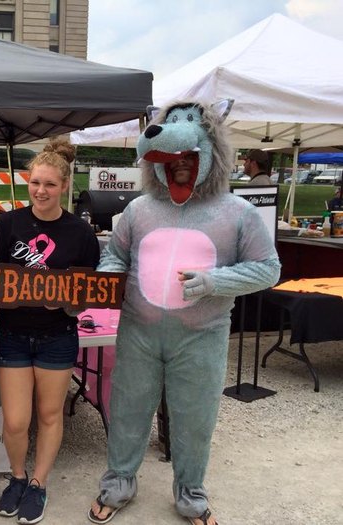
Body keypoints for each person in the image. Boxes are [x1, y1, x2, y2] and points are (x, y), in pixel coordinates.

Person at [87, 100, 280, 525]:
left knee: (195, 419)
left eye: (187, 158)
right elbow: (115, 256)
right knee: (127, 410)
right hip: (138, 331)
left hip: (202, 335)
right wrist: (107, 282)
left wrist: (215, 282)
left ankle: (191, 494)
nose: (178, 167)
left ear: (212, 152)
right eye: (170, 161)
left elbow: (269, 269)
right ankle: (118, 482)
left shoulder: (238, 213)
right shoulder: (138, 210)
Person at [0, 139, 100, 524]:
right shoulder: (8, 224)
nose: (41, 191)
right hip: (14, 334)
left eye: (50, 185)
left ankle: (38, 483)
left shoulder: (81, 233)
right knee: (16, 420)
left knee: (50, 414)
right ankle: (17, 476)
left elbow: (86, 296)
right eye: (36, 183)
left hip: (57, 335)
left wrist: (68, 303)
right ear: (28, 182)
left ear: (65, 186)